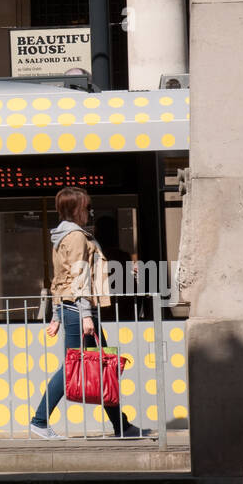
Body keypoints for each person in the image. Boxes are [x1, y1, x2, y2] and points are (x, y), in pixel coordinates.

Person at [30, 187, 148, 441]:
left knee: (103, 367)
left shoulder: (67, 235)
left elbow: (61, 279)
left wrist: (57, 316)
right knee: (72, 368)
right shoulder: (75, 237)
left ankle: (122, 426)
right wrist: (84, 316)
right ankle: (39, 421)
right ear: (75, 209)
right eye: (87, 207)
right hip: (80, 311)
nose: (90, 211)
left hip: (75, 309)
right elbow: (79, 275)